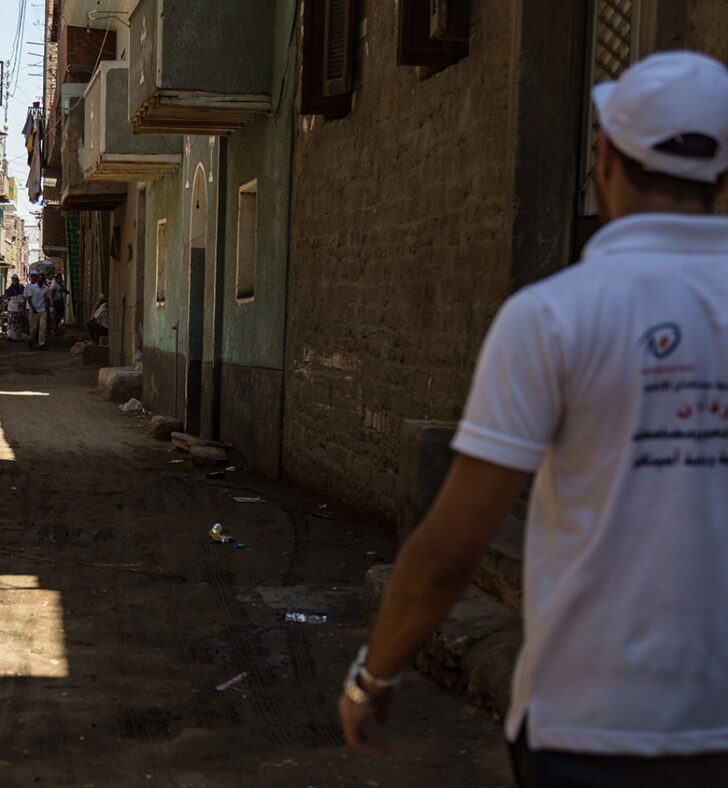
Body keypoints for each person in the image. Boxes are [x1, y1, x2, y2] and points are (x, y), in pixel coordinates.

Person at [338, 51, 728, 785]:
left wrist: (374, 678)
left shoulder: (555, 318)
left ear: (605, 157)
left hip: (590, 731)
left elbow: (449, 550)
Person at [24, 272, 50, 350]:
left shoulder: (46, 288)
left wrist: (47, 305)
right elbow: (28, 298)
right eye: (39, 279)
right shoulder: (32, 288)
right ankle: (31, 340)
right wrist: (33, 308)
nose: (40, 280)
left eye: (42, 279)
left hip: (42, 310)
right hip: (33, 310)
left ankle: (41, 344)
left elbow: (47, 298)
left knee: (42, 327)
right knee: (33, 328)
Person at [2, 274, 26, 341]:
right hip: (12, 308)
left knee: (18, 323)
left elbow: (24, 296)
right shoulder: (10, 289)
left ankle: (18, 336)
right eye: (13, 279)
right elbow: (7, 297)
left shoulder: (21, 287)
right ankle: (10, 336)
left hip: (19, 308)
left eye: (16, 279)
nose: (14, 280)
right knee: (11, 323)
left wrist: (22, 304)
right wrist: (5, 301)